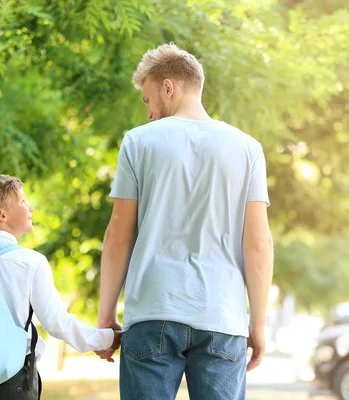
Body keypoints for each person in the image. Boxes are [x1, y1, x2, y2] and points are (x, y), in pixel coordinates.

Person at [96, 43, 274, 400]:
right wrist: (258, 322)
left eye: (147, 100)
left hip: (152, 311)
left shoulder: (138, 142)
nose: (147, 113)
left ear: (168, 87)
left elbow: (118, 235)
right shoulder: (247, 148)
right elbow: (257, 244)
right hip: (222, 317)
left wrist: (105, 316)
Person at [0, 174, 120, 400]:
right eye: (22, 201)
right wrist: (107, 339)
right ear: (1, 214)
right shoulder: (29, 262)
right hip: (12, 382)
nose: (30, 208)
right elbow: (56, 322)